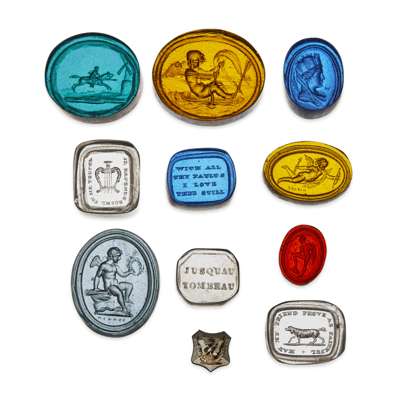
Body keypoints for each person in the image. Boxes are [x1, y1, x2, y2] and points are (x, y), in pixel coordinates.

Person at [93, 247, 134, 314]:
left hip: (115, 285)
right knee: (119, 292)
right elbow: (97, 276)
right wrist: (95, 288)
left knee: (129, 286)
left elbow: (122, 274)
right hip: (109, 287)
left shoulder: (115, 266)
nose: (119, 258)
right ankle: (124, 309)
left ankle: (126, 299)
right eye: (117, 256)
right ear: (112, 256)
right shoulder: (104, 265)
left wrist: (129, 272)